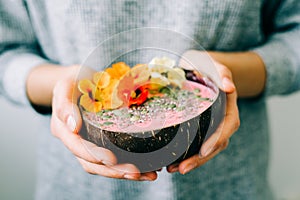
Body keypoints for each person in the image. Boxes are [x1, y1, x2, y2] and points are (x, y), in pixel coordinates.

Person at [0, 0, 299, 199]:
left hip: (230, 186)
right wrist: (65, 86)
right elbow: (6, 50)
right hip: (76, 189)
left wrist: (222, 77)